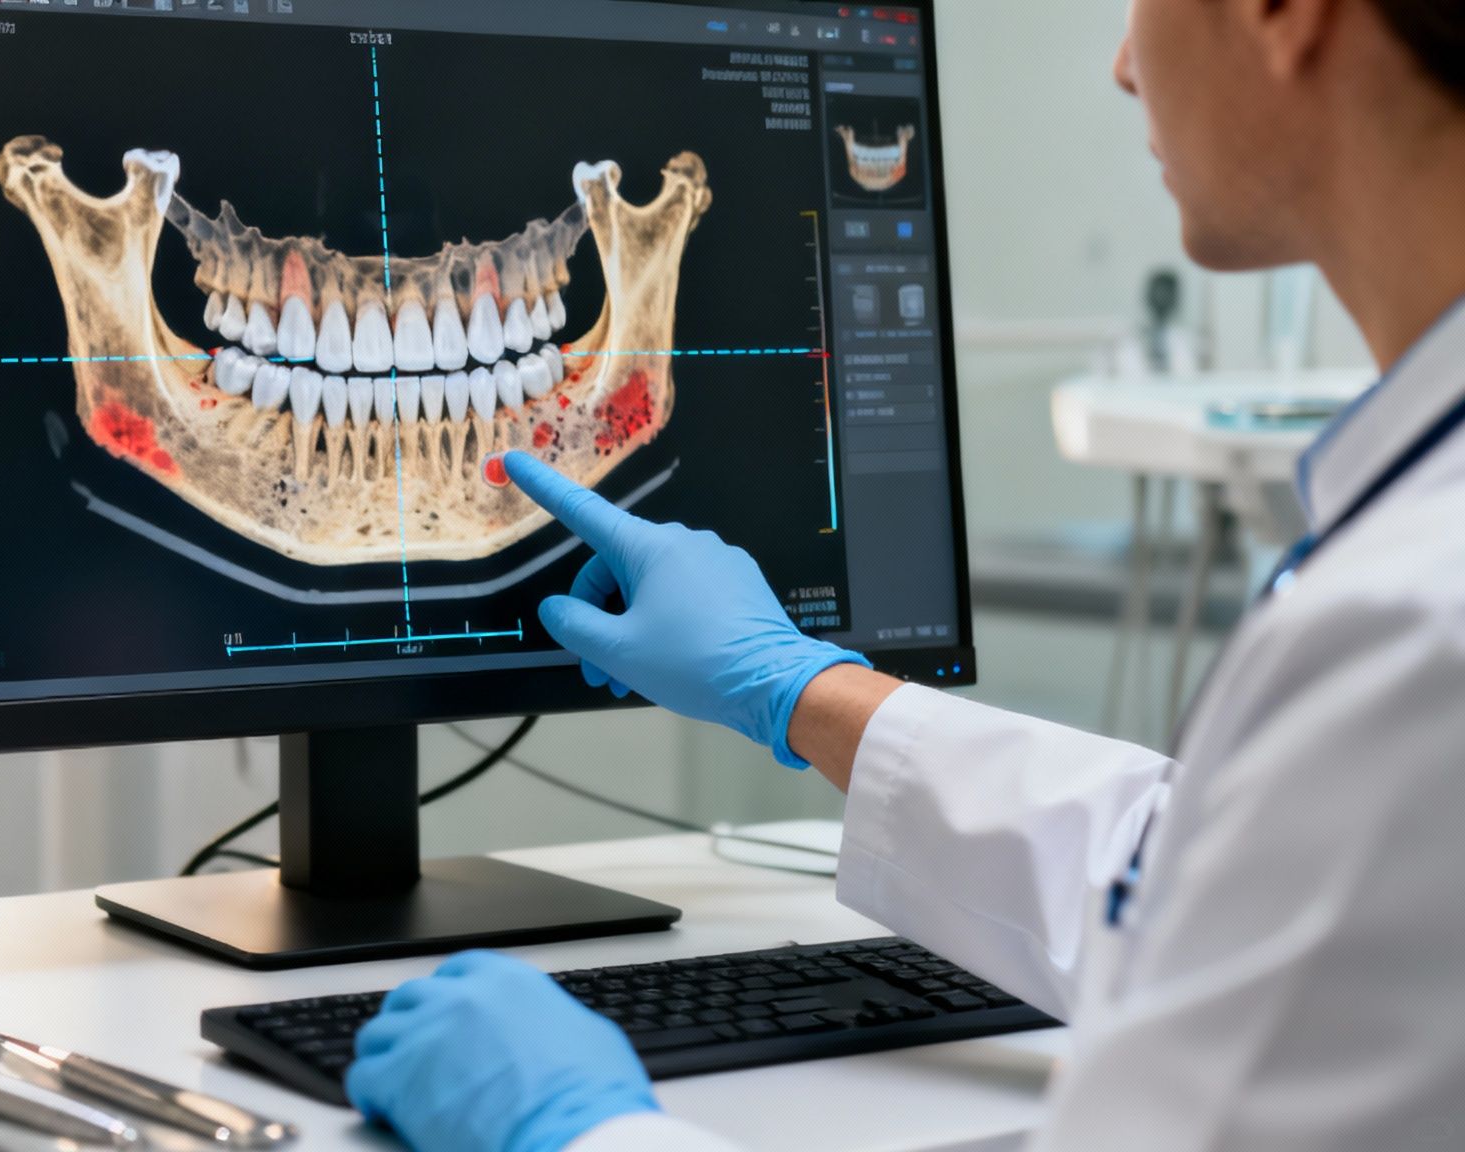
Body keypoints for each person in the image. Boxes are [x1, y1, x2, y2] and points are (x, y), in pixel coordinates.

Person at [344, 0, 1465, 1148]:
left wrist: (578, 1133)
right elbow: (1221, 895)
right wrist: (799, 687)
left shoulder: (1413, 635)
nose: (1127, 66)